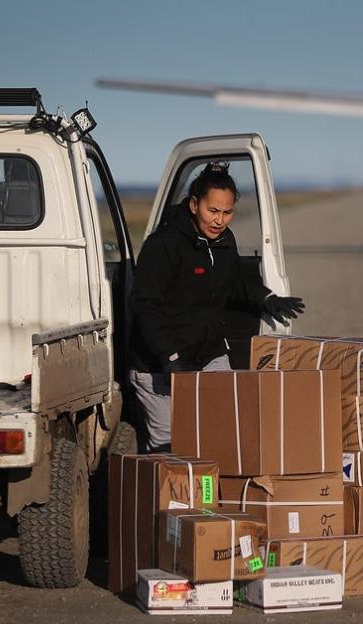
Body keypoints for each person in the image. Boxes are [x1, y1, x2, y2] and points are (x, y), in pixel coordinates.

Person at [127, 162, 305, 452]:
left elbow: (233, 280)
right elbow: (144, 306)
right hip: (158, 364)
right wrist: (169, 355)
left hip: (207, 353)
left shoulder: (224, 240)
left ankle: (215, 496)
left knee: (223, 431)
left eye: (227, 212)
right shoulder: (164, 245)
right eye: (213, 211)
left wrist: (268, 299)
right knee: (170, 448)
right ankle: (176, 496)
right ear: (195, 205)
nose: (220, 220)